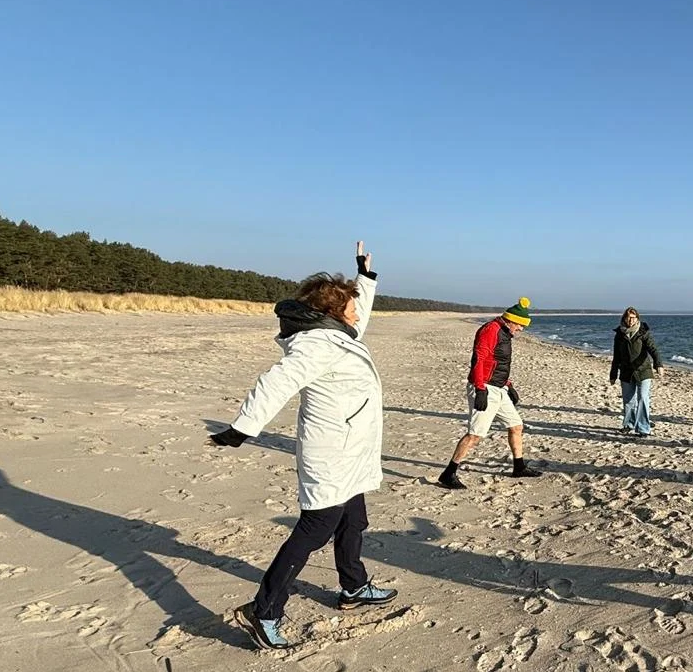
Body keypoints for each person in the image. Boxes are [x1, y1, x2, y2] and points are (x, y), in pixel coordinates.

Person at [209, 242, 396, 650]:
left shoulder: (336, 334)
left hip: (353, 451)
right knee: (314, 530)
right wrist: (243, 427)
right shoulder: (314, 345)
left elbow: (358, 317)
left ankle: (353, 587)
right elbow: (276, 383)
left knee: (354, 521)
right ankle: (265, 610)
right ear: (332, 312)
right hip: (332, 453)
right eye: (348, 304)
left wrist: (364, 275)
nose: (355, 311)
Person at [438, 298, 543, 488]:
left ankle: (518, 467)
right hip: (485, 387)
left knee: (516, 426)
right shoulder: (490, 330)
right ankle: (449, 473)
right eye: (520, 325)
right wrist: (480, 389)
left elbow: (499, 363)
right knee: (475, 435)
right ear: (511, 320)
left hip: (499, 387)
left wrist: (508, 385)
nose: (521, 330)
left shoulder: (505, 333)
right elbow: (479, 359)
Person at [610, 308, 664, 435]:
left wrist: (658, 365)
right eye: (628, 317)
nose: (630, 320)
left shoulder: (643, 332)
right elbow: (616, 356)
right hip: (626, 372)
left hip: (643, 371)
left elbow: (653, 349)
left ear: (637, 319)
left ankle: (644, 428)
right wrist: (613, 374)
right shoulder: (619, 335)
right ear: (624, 318)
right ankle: (629, 424)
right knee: (628, 401)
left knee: (643, 399)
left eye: (633, 318)